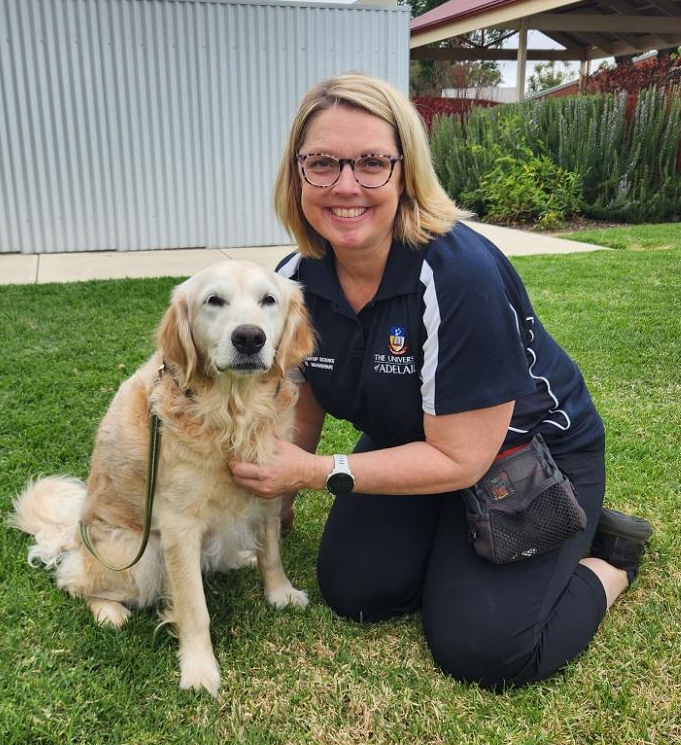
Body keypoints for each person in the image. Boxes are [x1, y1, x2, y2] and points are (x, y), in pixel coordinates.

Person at [229, 72, 652, 690]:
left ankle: (604, 557)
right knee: (357, 591)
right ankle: (459, 545)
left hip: (527, 454)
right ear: (297, 175)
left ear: (406, 172)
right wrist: (281, 497)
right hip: (415, 441)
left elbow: (462, 457)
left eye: (372, 163)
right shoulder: (294, 278)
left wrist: (315, 473)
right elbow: (304, 394)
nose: (346, 186)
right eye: (322, 163)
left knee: (485, 650)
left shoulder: (458, 274)